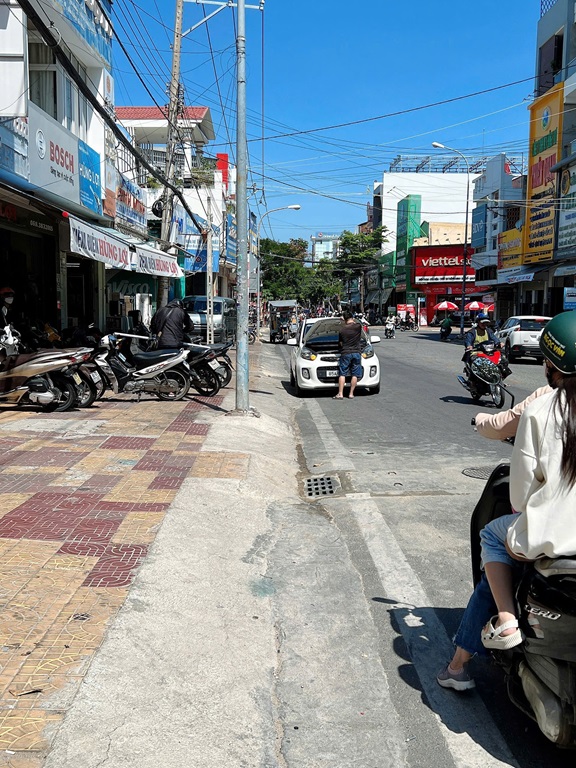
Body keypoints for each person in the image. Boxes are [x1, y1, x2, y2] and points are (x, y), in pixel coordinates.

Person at [437, 311, 576, 690]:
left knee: (494, 536)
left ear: (551, 363)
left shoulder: (542, 408)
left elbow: (520, 497)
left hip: (554, 541)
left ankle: (503, 622)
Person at [334, 311, 362, 400]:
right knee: (355, 374)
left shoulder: (342, 330)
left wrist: (343, 321)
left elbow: (340, 343)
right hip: (356, 352)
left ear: (345, 320)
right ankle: (351, 394)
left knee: (342, 373)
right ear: (352, 318)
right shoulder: (358, 327)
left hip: (345, 353)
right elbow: (359, 321)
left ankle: (340, 393)